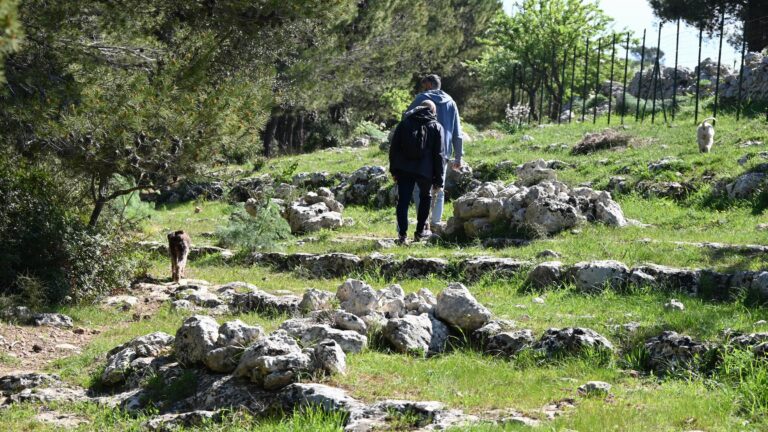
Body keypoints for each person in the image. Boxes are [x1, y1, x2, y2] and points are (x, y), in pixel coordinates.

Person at [406, 74, 463, 229]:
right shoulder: (451, 102)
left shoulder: (421, 99)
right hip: (443, 152)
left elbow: (406, 119)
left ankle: (423, 222)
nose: (424, 89)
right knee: (439, 188)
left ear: (430, 84)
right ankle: (436, 223)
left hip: (421, 151)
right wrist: (458, 156)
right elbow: (457, 132)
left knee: (419, 189)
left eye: (425, 86)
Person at [389, 100, 445, 244]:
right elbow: (439, 155)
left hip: (404, 169)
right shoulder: (436, 126)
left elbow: (394, 148)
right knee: (425, 198)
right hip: (425, 170)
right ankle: (420, 232)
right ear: (433, 111)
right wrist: (439, 179)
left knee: (403, 201)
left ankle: (402, 235)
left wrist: (394, 170)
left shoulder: (404, 123)